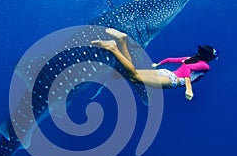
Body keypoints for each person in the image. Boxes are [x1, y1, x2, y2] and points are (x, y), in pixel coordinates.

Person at [91, 28, 219, 101]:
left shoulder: (191, 58)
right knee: (134, 77)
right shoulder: (205, 66)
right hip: (174, 80)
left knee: (132, 71)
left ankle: (121, 40)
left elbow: (171, 59)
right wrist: (189, 89)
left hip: (166, 73)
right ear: (210, 58)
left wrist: (157, 64)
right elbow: (187, 68)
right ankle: (113, 47)